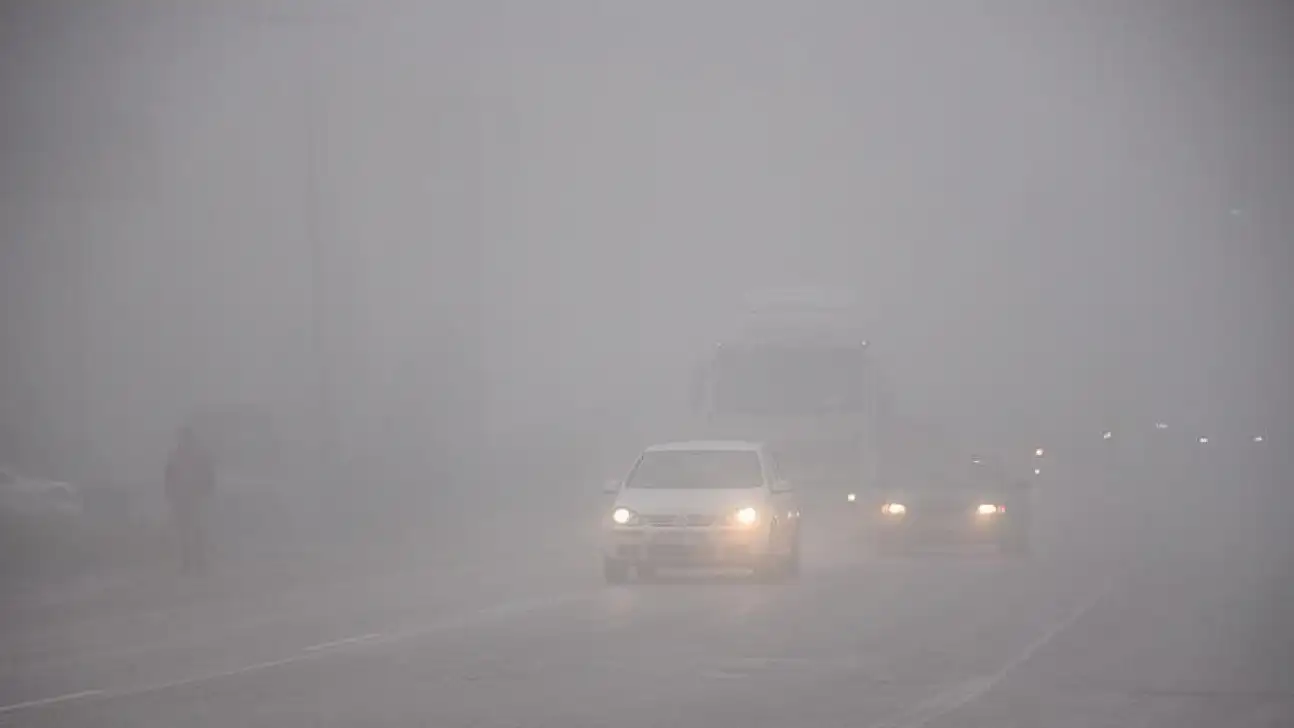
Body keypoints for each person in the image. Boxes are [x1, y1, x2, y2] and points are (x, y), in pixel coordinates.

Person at [164, 424, 216, 575]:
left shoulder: (197, 455)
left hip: (194, 496)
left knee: (195, 529)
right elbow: (170, 476)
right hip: (182, 497)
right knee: (185, 530)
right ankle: (189, 560)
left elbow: (208, 474)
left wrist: (205, 490)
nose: (183, 441)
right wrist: (170, 492)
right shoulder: (177, 455)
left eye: (185, 437)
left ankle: (198, 560)